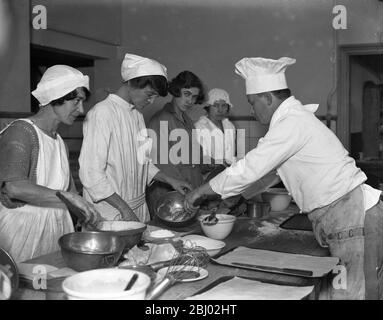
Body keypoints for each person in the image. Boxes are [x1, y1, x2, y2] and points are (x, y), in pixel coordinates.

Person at [185, 56, 383, 300]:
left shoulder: (292, 123)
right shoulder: (292, 121)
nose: (251, 110)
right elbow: (268, 174)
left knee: (348, 295)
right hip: (345, 212)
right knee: (347, 291)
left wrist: (202, 190)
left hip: (350, 214)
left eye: (252, 102)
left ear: (267, 98)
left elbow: (252, 166)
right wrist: (230, 198)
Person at [0, 65, 100, 263]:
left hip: (57, 227)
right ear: (56, 96)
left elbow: (68, 188)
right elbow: (14, 187)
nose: (81, 110)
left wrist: (86, 213)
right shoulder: (22, 131)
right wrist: (67, 197)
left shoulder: (57, 140)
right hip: (23, 232)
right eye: (76, 101)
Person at [79, 54, 192, 223]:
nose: (152, 101)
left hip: (137, 207)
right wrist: (125, 209)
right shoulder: (102, 113)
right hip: (111, 211)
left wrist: (170, 180)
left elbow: (142, 163)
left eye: (155, 97)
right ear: (131, 83)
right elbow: (91, 174)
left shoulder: (136, 116)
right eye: (149, 94)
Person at [146, 71, 205, 217]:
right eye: (186, 94)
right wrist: (189, 191)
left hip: (188, 190)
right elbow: (162, 162)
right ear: (176, 91)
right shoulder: (161, 120)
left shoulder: (187, 119)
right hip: (170, 194)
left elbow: (191, 153)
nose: (190, 100)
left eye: (194, 97)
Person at [195, 88, 237, 181]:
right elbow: (199, 160)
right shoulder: (199, 127)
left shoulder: (230, 126)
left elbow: (232, 154)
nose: (220, 110)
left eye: (224, 106)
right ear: (208, 107)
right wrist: (217, 164)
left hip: (228, 178)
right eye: (216, 105)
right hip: (207, 179)